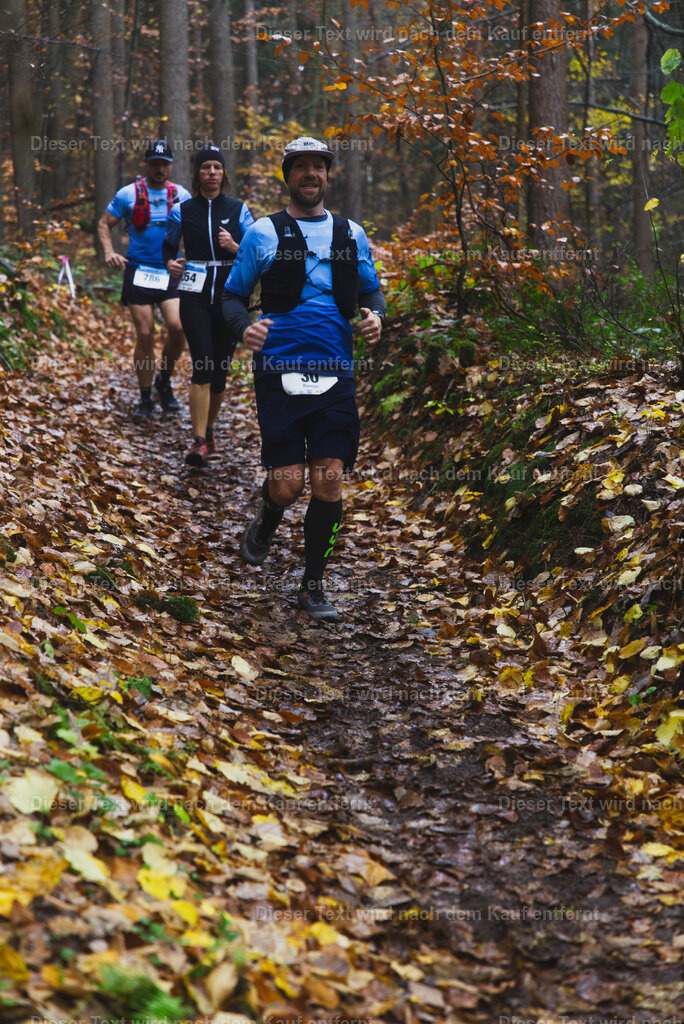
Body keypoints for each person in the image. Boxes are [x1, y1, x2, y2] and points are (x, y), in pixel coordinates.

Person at [222, 136, 385, 622]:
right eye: (301, 168)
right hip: (278, 370)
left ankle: (312, 584)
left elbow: (373, 294)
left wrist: (375, 317)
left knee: (329, 477)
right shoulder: (262, 233)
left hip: (336, 370)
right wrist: (243, 327)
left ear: (327, 176)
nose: (311, 175)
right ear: (288, 176)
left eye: (319, 167)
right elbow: (232, 296)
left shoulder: (351, 233)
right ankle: (269, 515)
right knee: (289, 484)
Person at [162, 145, 254, 466]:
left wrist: (235, 246)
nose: (212, 172)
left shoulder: (240, 209)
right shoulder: (182, 210)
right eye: (205, 167)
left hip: (230, 297)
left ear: (223, 173)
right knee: (202, 364)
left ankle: (210, 430)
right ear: (197, 173)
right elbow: (168, 249)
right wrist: (171, 264)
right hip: (194, 295)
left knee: (219, 372)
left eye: (217, 167)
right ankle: (198, 440)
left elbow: (255, 254)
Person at [97, 140, 191, 419]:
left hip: (169, 270)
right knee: (146, 333)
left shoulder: (182, 196)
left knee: (178, 327)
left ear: (170, 166)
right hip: (138, 270)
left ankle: (164, 379)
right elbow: (104, 223)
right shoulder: (128, 194)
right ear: (146, 164)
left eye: (164, 164)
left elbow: (198, 228)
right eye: (154, 163)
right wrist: (109, 252)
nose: (159, 169)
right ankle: (145, 396)